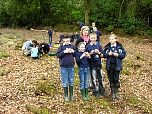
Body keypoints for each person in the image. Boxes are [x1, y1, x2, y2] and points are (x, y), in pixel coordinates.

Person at [103, 33, 126, 100]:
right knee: (111, 78)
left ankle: (116, 92)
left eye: (112, 39)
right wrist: (108, 54)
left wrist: (118, 55)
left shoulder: (119, 47)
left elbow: (124, 55)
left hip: (117, 66)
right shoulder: (107, 47)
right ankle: (112, 92)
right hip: (109, 65)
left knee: (116, 78)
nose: (111, 40)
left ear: (116, 39)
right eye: (110, 39)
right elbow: (103, 54)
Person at [85, 33, 106, 98]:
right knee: (94, 79)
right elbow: (86, 56)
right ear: (89, 38)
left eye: (94, 38)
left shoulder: (99, 46)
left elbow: (103, 55)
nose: (93, 39)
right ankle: (96, 91)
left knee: (100, 78)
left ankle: (102, 90)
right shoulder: (88, 46)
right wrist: (90, 53)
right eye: (92, 38)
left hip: (99, 64)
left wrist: (99, 53)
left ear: (96, 38)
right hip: (92, 65)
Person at [56, 34, 75, 102]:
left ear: (70, 39)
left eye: (68, 39)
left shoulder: (72, 46)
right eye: (65, 39)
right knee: (65, 81)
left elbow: (76, 54)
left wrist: (73, 51)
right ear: (63, 40)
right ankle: (66, 95)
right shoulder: (61, 47)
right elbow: (58, 55)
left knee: (71, 81)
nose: (67, 40)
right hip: (63, 67)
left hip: (71, 66)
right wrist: (64, 52)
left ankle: (71, 94)